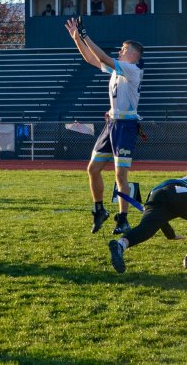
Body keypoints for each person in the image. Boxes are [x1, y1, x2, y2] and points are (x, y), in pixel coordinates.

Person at [65, 17, 144, 235]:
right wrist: (77, 39)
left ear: (133, 54)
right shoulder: (119, 70)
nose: (120, 50)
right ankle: (99, 210)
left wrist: (85, 35)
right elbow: (91, 59)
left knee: (121, 175)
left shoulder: (132, 69)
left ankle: (123, 219)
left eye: (124, 48)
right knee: (93, 169)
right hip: (111, 125)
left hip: (125, 126)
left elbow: (101, 56)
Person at [108, 165, 187, 273]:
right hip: (181, 193)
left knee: (146, 229)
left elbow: (162, 219)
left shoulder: (180, 179)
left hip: (155, 193)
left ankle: (120, 245)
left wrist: (171, 235)